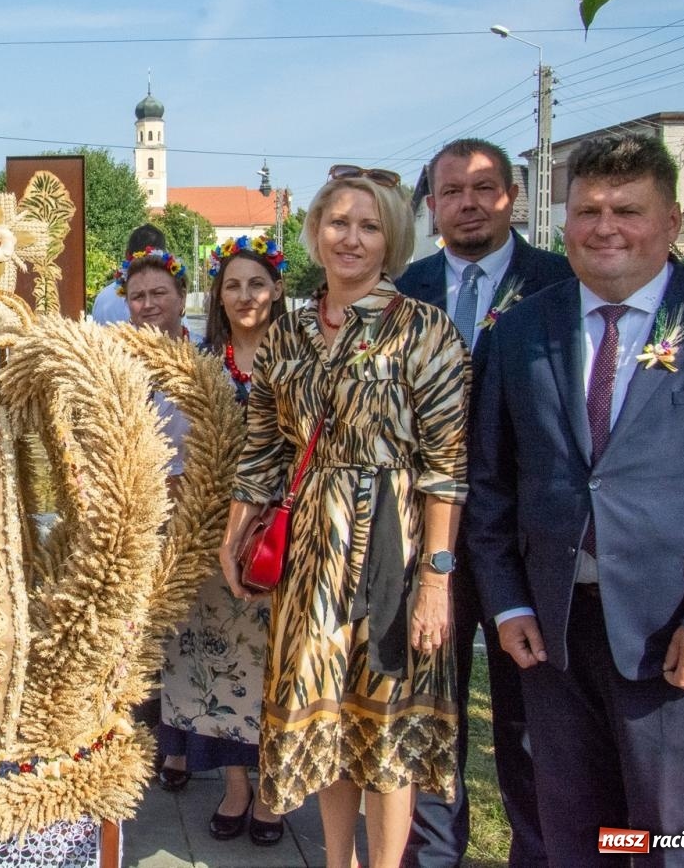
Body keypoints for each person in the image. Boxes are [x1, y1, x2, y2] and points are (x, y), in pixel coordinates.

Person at [464, 135, 684, 866]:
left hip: (681, 639)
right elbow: (490, 485)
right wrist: (507, 605)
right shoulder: (522, 330)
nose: (605, 227)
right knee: (578, 837)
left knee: (668, 841)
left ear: (673, 222)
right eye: (588, 209)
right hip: (554, 639)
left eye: (627, 210)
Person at [220, 167, 467, 868]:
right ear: (315, 232)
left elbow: (447, 465)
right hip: (309, 548)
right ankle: (338, 860)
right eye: (338, 224)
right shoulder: (290, 332)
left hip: (393, 540)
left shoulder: (424, 329)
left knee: (384, 720)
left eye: (368, 226)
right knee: (325, 716)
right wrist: (234, 532)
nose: (351, 239)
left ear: (391, 239)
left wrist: (437, 581)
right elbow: (264, 441)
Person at [394, 138, 570, 868]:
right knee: (430, 712)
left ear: (512, 197)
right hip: (422, 533)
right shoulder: (407, 287)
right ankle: (433, 856)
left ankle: (536, 851)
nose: (468, 202)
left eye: (485, 187)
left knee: (529, 723)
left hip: (527, 538)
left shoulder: (559, 282)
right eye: (452, 190)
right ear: (431, 204)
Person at [157, 235, 287, 846]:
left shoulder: (300, 355)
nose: (244, 296)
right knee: (217, 660)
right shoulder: (203, 360)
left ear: (277, 288)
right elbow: (175, 445)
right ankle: (237, 785)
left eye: (256, 284)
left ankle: (275, 790)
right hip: (213, 535)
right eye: (232, 285)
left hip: (282, 536)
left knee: (277, 666)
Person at [91, 223, 166, 324]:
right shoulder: (167, 297)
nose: (147, 304)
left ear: (127, 255)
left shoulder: (102, 297)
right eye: (138, 297)